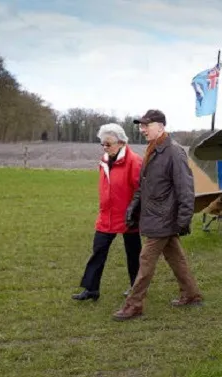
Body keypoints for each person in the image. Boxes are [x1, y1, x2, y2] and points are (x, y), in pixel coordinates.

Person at [113, 109, 203, 321]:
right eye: (141, 125)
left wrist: (184, 219)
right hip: (156, 216)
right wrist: (133, 207)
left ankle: (134, 305)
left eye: (146, 125)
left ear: (161, 126)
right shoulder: (153, 149)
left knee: (145, 260)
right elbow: (144, 186)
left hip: (164, 218)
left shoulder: (174, 152)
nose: (142, 129)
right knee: (176, 258)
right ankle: (191, 295)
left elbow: (185, 189)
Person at [73, 123, 143, 301]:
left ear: (121, 142)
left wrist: (134, 212)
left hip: (129, 216)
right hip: (106, 216)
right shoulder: (104, 160)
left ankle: (137, 288)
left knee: (133, 254)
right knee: (98, 251)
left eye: (108, 144)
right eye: (102, 144)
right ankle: (91, 289)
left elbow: (141, 190)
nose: (105, 147)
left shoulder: (134, 161)